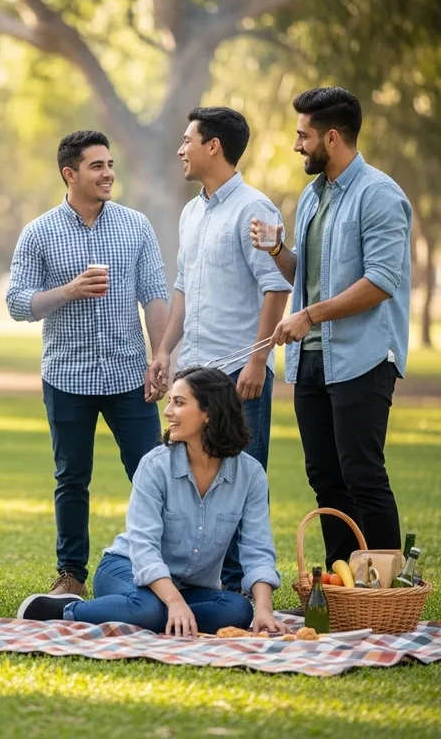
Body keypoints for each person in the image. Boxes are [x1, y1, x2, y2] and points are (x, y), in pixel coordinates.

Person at [250, 86, 411, 569]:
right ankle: (344, 587)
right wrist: (279, 251)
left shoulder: (379, 195)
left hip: (362, 356)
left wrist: (310, 315)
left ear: (332, 137)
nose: (297, 145)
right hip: (312, 359)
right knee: (325, 477)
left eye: (303, 136)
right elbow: (310, 281)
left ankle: (382, 591)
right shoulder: (312, 195)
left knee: (363, 473)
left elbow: (380, 282)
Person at [6, 130, 170, 598]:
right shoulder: (39, 232)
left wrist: (160, 355)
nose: (108, 174)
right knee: (71, 478)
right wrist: (68, 292)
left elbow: (154, 295)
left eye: (110, 164)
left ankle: (162, 565)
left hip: (127, 374)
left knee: (151, 471)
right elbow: (18, 303)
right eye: (97, 166)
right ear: (70, 173)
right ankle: (71, 574)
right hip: (67, 377)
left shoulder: (136, 226)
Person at [16, 367, 285, 637]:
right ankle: (66, 611)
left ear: (209, 413)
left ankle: (143, 613)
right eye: (169, 401)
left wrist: (264, 608)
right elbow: (143, 546)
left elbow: (257, 547)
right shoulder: (155, 465)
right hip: (127, 568)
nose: (167, 412)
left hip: (189, 586)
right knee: (150, 608)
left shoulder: (250, 474)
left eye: (178, 403)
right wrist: (175, 602)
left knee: (237, 610)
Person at [150, 107, 291, 593]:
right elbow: (184, 290)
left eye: (188, 139)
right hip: (194, 373)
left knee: (240, 479)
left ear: (214, 146)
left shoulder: (255, 207)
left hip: (239, 372)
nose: (180, 149)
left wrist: (258, 360)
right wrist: (166, 350)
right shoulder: (193, 211)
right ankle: (189, 582)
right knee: (182, 477)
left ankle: (239, 590)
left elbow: (276, 287)